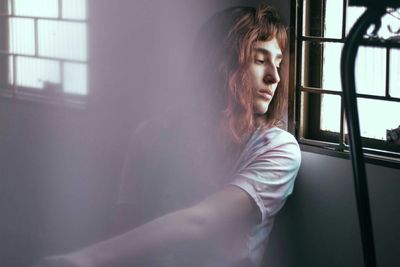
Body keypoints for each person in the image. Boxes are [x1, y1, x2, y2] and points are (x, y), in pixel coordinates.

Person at [38, 4, 301, 267]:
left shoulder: (277, 149)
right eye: (259, 60)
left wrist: (87, 257)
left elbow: (201, 221)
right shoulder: (152, 135)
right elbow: (124, 228)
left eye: (278, 63)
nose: (274, 77)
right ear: (223, 63)